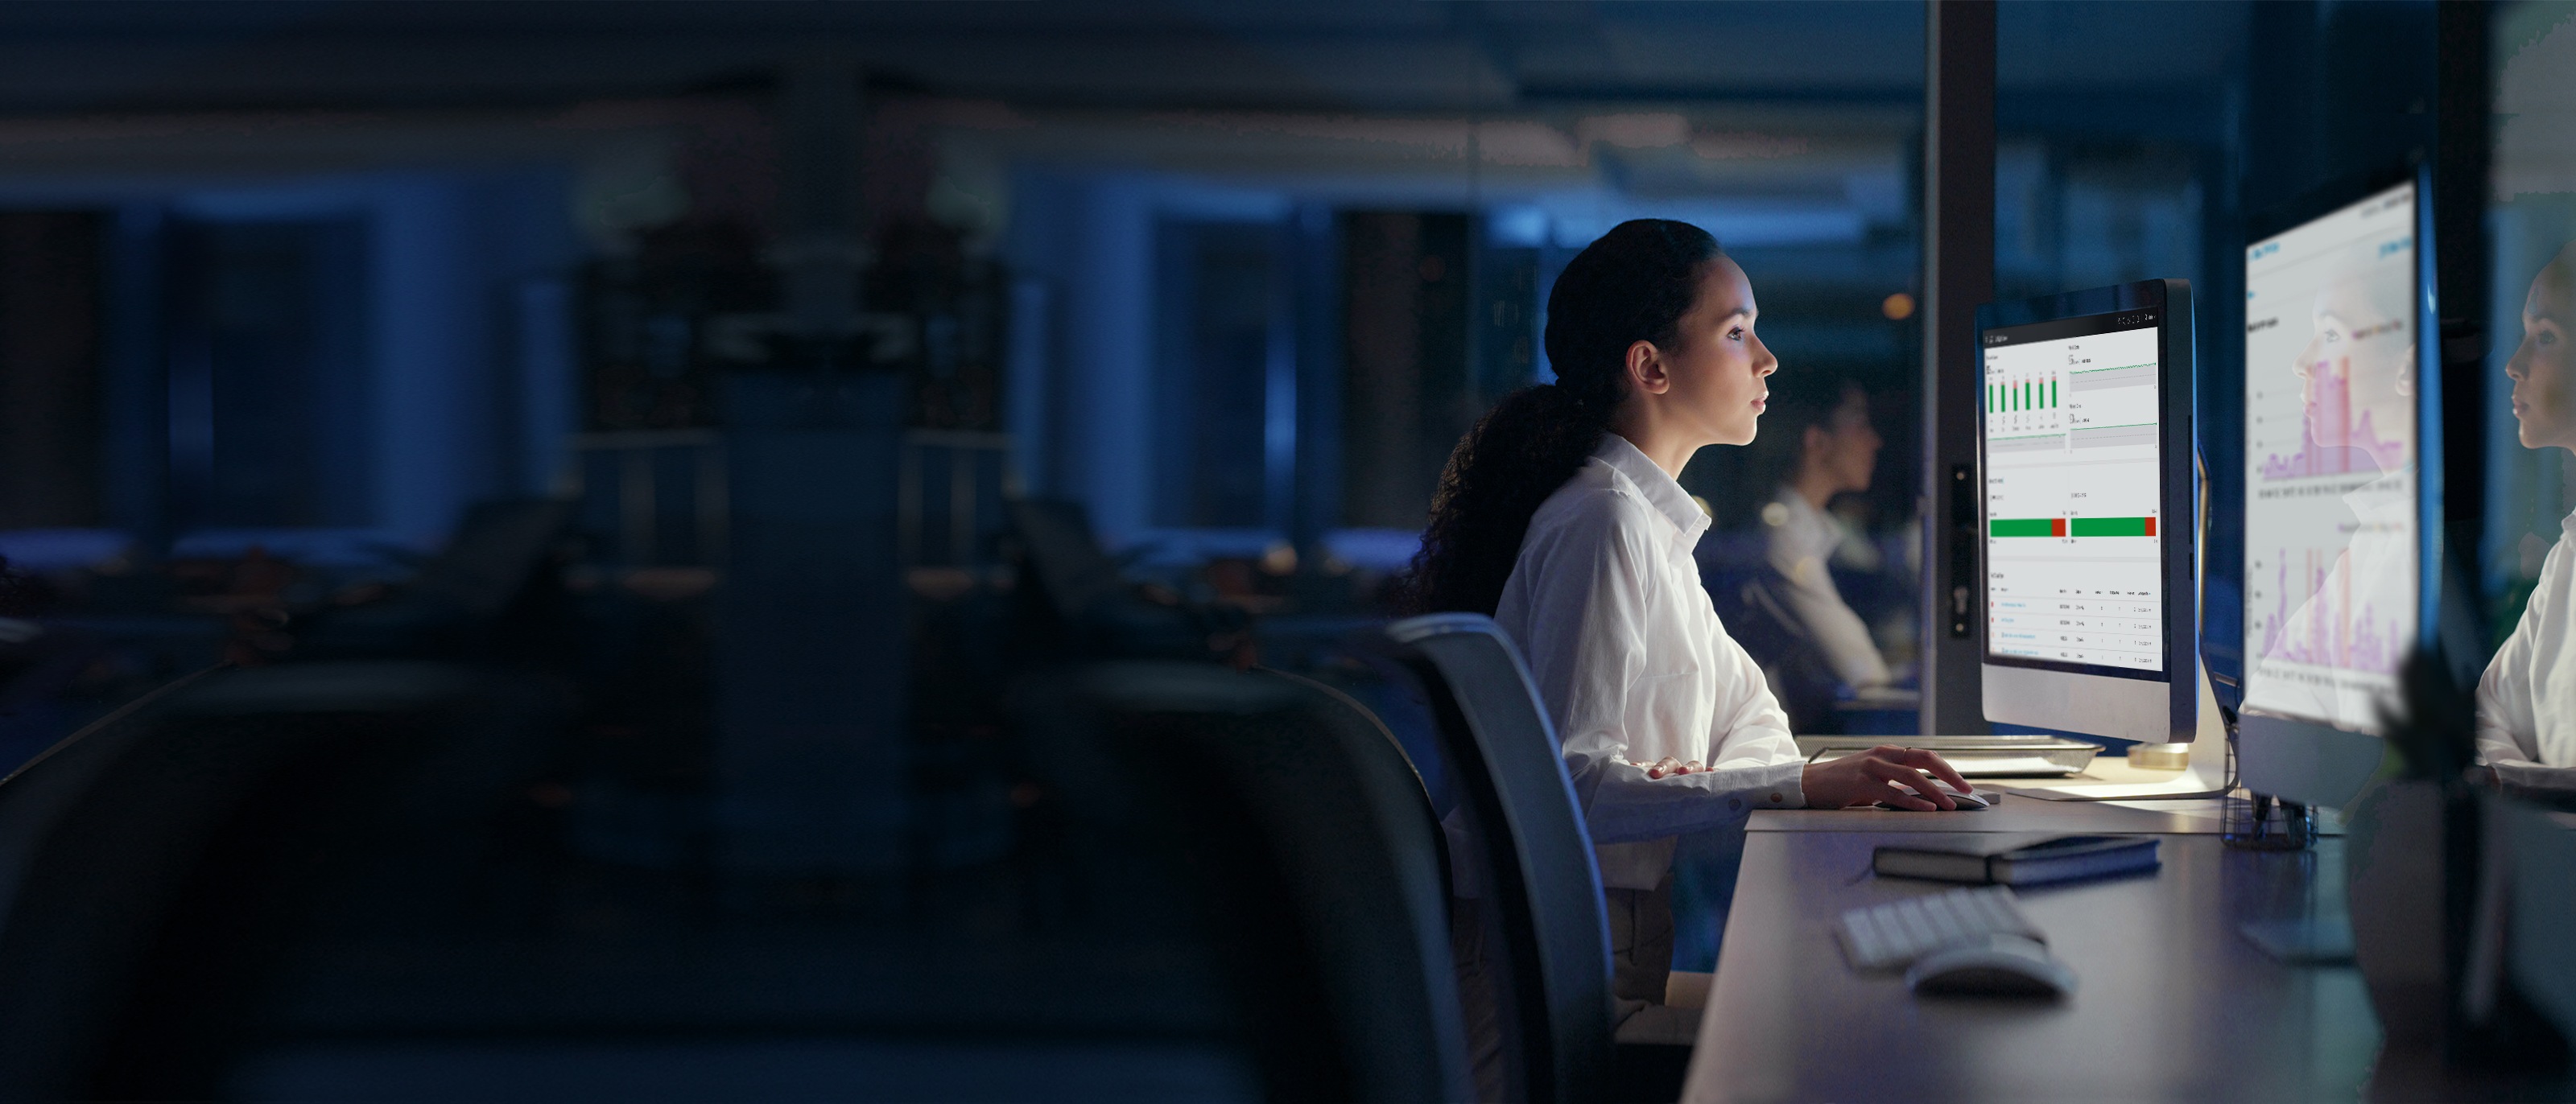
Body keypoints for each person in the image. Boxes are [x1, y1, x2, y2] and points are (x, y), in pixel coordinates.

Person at [1406, 219, 1969, 1090]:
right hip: (1546, 984)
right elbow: (1567, 790)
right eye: (1737, 332)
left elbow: (1757, 720)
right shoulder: (1603, 523)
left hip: (1596, 952)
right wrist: (1780, 784)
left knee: (1853, 1021)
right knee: (1859, 1041)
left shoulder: (1648, 525)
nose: (1767, 360)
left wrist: (1704, 778)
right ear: (1650, 367)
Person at [2479, 239, 2576, 795]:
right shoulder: (2567, 559)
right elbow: (2487, 715)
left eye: (2544, 337)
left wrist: (2516, 782)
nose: (2513, 365)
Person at [1752, 370, 1893, 690]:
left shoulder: (1814, 532)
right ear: (1816, 440)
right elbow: (1863, 673)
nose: (1874, 441)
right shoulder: (1784, 540)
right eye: (1859, 424)